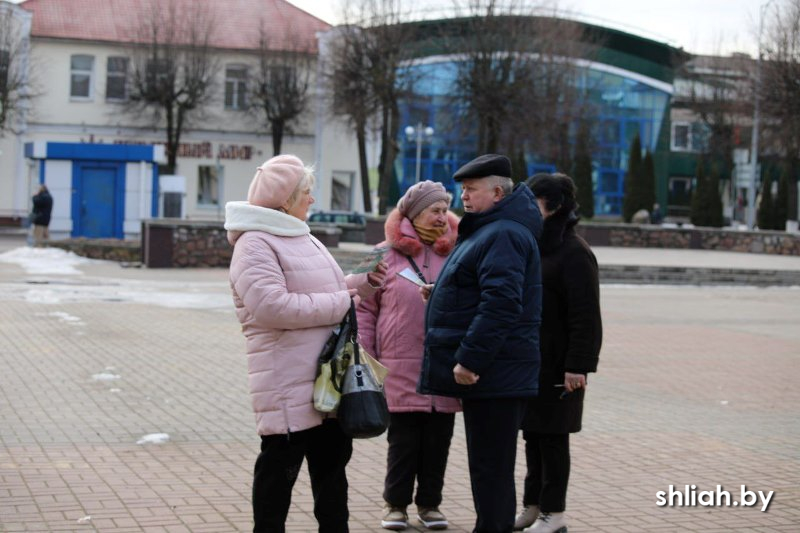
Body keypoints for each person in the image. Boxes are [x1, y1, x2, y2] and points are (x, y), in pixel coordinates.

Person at [224, 154, 387, 533]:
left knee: (332, 480)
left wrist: (361, 283)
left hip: (326, 381)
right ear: (285, 200)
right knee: (277, 479)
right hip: (287, 385)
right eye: (307, 193)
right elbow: (272, 307)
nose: (312, 201)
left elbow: (323, 291)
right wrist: (343, 301)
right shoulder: (254, 245)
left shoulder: (301, 235)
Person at [418, 154, 543, 533]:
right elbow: (484, 288)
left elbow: (502, 304)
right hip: (498, 371)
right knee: (489, 467)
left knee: (491, 468)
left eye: (471, 190)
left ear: (498, 192)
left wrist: (470, 359)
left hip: (495, 373)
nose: (464, 197)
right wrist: (443, 291)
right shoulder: (493, 229)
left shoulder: (503, 232)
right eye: (463, 190)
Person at [356, 180, 462, 531]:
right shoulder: (381, 252)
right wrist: (367, 356)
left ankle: (430, 505)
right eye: (435, 210)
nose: (442, 217)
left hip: (444, 363)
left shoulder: (458, 252)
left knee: (438, 439)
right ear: (414, 214)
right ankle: (395, 505)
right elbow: (362, 309)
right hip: (398, 364)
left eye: (445, 209)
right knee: (403, 440)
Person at [514, 173, 602, 533]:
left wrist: (577, 367)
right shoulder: (535, 244)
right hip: (531, 362)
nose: (527, 209)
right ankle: (533, 506)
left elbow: (586, 316)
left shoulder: (575, 252)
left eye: (533, 202)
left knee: (553, 440)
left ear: (555, 205)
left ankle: (554, 514)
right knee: (533, 436)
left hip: (560, 367)